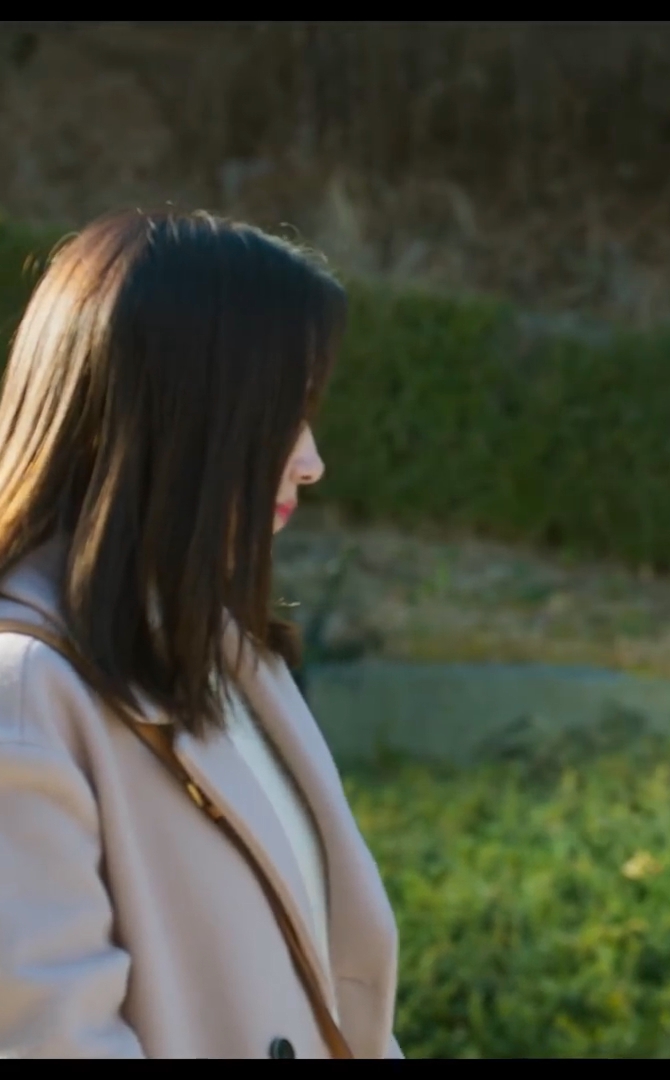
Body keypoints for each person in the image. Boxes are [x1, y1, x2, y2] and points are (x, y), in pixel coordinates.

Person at [0, 210, 403, 1059]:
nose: (311, 461)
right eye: (284, 412)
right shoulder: (26, 691)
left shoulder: (228, 656)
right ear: (175, 416)